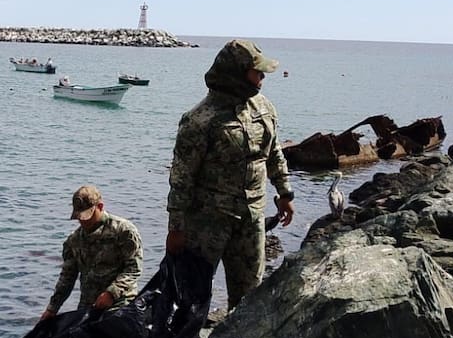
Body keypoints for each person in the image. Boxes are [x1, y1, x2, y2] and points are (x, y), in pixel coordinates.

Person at [165, 39, 293, 308]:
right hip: (207, 222)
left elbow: (274, 152)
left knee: (249, 296)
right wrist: (176, 228)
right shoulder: (200, 120)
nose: (262, 78)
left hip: (252, 218)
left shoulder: (264, 108)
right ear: (237, 73)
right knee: (191, 296)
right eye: (257, 72)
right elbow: (181, 178)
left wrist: (284, 192)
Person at [41, 185, 142, 320]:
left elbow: (133, 268)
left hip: (121, 304)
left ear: (100, 207)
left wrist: (112, 292)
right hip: (88, 307)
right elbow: (67, 278)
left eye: (87, 216)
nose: (83, 220)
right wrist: (52, 309)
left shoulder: (124, 231)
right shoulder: (74, 241)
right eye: (79, 216)